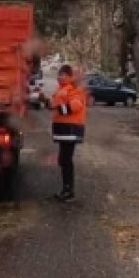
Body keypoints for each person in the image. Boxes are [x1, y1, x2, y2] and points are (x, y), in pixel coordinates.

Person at [50, 64, 87, 201]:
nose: (60, 77)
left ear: (69, 76)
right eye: (59, 75)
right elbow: (53, 105)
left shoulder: (74, 89)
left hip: (71, 129)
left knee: (65, 160)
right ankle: (66, 189)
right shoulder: (60, 89)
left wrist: (59, 109)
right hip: (63, 130)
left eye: (63, 75)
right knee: (63, 160)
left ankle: (69, 191)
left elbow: (76, 105)